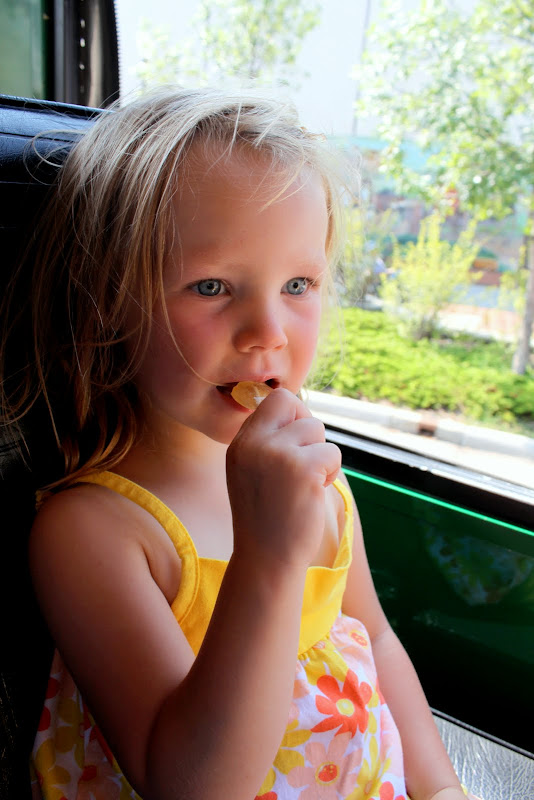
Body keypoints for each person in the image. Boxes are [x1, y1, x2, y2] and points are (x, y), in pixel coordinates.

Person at [0, 87, 476, 800]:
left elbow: (374, 638)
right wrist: (270, 555)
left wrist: (439, 788)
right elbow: (191, 784)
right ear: (108, 303)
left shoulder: (315, 479)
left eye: (298, 284)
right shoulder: (94, 532)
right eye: (212, 286)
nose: (268, 333)